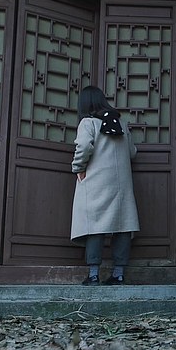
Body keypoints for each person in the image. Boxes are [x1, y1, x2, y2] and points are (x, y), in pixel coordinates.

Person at [70, 86, 139, 285]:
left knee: (94, 225)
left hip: (96, 181)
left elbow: (83, 146)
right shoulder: (121, 123)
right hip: (121, 183)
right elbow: (132, 152)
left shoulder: (88, 123)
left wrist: (78, 168)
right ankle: (118, 274)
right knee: (123, 225)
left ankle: (93, 275)